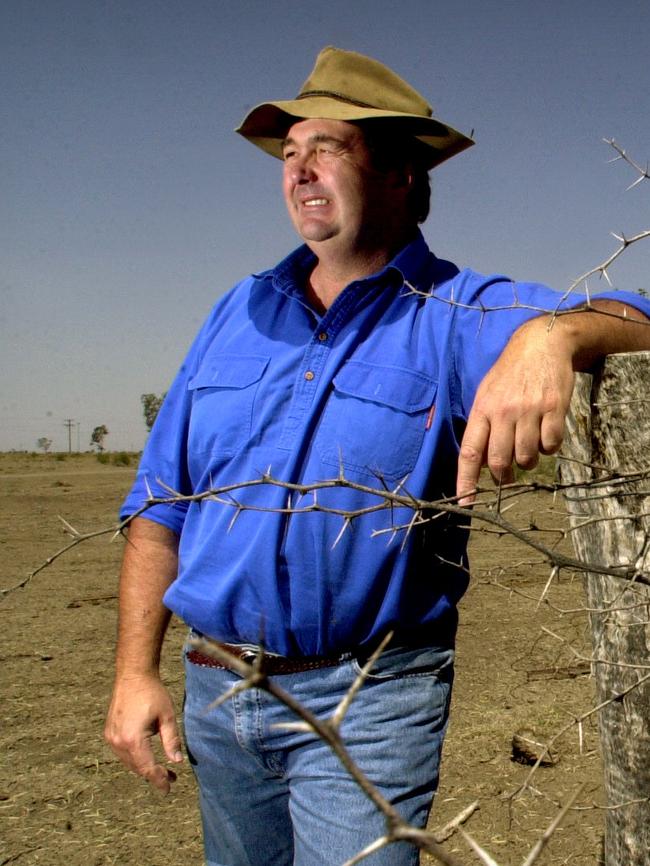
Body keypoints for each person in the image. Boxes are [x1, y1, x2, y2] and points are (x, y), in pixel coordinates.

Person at [105, 47, 650, 866]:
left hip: (369, 696)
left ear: (399, 169)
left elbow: (640, 317)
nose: (300, 169)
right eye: (289, 154)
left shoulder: (457, 311)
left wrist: (555, 331)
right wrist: (133, 674)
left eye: (329, 146)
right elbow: (159, 503)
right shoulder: (239, 309)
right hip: (216, 683)